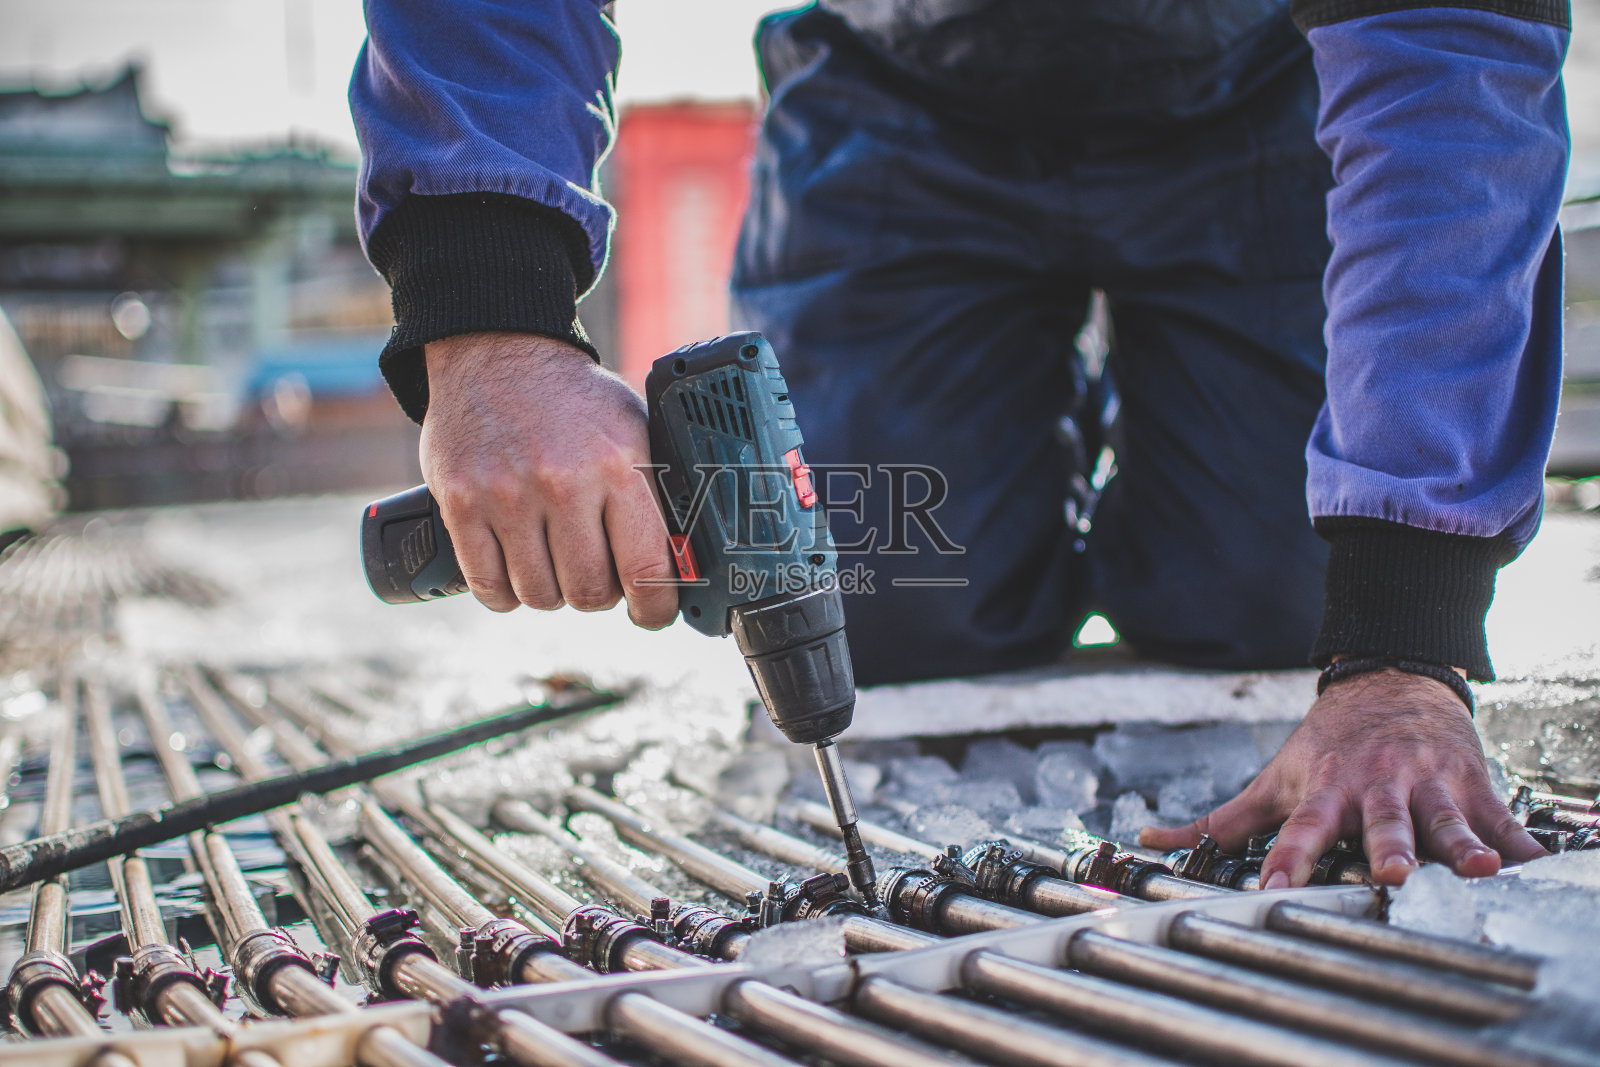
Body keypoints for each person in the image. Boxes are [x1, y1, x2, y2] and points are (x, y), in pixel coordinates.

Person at [348, 1, 1569, 887]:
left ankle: (1150, 427)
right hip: (898, 103)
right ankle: (1023, 432)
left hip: (1264, 88)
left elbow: (1448, 67)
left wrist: (1403, 633)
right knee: (892, 592)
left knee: (1289, 593)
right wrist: (490, 320)